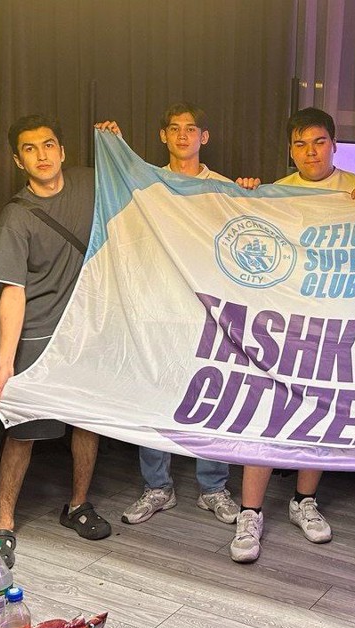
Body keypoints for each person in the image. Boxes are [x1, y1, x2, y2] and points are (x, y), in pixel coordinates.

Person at [228, 107, 355, 563]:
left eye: (318, 142)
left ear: (334, 144)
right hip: (282, 323)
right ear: (290, 150)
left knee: (319, 412)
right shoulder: (277, 192)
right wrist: (245, 195)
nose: (309, 151)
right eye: (299, 144)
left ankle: (302, 501)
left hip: (336, 322)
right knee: (265, 411)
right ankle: (250, 512)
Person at [0, 115, 120, 567]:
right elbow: (12, 292)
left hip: (88, 332)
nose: (41, 154)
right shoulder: (15, 216)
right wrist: (4, 364)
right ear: (17, 159)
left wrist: (117, 145)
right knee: (22, 431)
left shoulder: (88, 183)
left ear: (62, 150)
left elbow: (140, 186)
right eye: (29, 148)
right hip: (39, 336)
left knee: (86, 425)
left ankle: (77, 505)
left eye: (49, 144)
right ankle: (3, 523)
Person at [121, 102, 239, 526]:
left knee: (213, 395)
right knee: (156, 394)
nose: (183, 136)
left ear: (204, 137)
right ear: (163, 136)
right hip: (156, 307)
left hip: (208, 311)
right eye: (175, 129)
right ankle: (158, 487)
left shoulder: (222, 187)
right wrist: (111, 144)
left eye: (192, 129)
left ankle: (213, 487)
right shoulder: (145, 185)